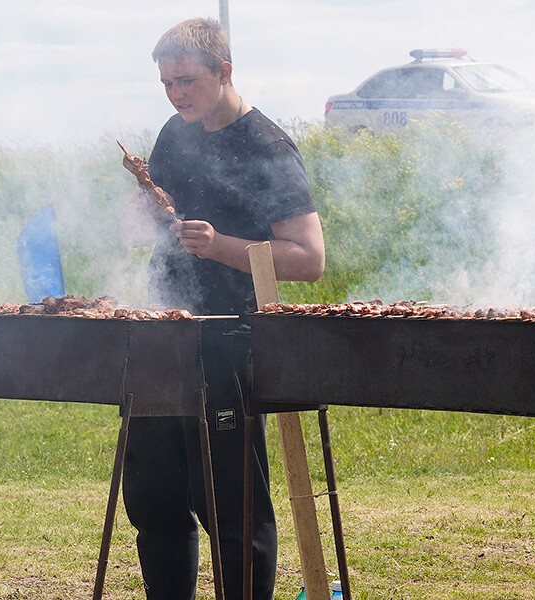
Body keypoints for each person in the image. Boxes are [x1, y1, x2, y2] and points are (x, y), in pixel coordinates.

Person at [119, 17, 325, 600]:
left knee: (230, 505)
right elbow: (151, 219)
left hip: (230, 341)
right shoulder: (173, 134)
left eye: (186, 80)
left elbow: (309, 258)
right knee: (154, 497)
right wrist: (137, 216)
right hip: (162, 334)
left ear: (224, 71)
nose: (176, 93)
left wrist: (221, 247)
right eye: (166, 83)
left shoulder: (266, 145)